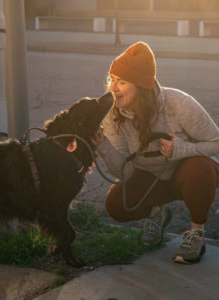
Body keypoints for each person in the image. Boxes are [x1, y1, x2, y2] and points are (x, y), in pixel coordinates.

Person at [93, 41, 219, 264]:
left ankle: (196, 233)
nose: (113, 88)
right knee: (115, 204)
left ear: (141, 86)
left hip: (187, 172)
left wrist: (182, 149)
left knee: (200, 169)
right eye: (112, 80)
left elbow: (216, 142)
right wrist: (103, 146)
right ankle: (156, 214)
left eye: (121, 82)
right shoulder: (113, 115)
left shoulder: (178, 103)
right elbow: (125, 169)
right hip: (150, 176)